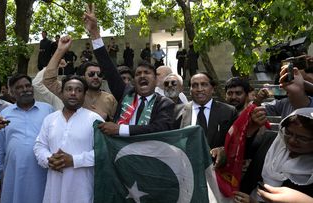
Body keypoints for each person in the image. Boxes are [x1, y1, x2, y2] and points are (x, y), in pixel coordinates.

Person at [83, 5, 175, 136]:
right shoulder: (125, 93)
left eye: (147, 73)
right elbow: (108, 68)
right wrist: (94, 33)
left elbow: (160, 129)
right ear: (134, 81)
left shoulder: (165, 104)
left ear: (155, 80)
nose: (142, 76)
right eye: (138, 74)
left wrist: (120, 129)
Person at [34, 75, 103, 203]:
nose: (73, 93)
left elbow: (103, 152)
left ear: (84, 94)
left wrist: (74, 160)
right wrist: (49, 159)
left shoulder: (95, 119)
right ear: (62, 92)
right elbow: (39, 146)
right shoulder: (50, 119)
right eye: (69, 89)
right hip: (54, 187)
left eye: (78, 90)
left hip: (82, 189)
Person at [0, 74, 54, 203]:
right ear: (12, 92)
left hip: (43, 171)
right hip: (15, 171)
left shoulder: (48, 110)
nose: (25, 89)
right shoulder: (5, 114)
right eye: (19, 87)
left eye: (28, 85)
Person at [44, 39, 117, 121]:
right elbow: (49, 80)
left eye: (99, 74)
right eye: (91, 74)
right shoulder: (73, 93)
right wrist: (60, 50)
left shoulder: (110, 99)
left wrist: (105, 118)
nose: (96, 77)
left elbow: (117, 124)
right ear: (82, 77)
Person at [178, 72, 238, 149]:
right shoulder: (178, 112)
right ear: (190, 90)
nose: (199, 89)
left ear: (212, 89)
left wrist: (222, 150)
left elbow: (235, 142)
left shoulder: (229, 112)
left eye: (204, 84)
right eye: (195, 85)